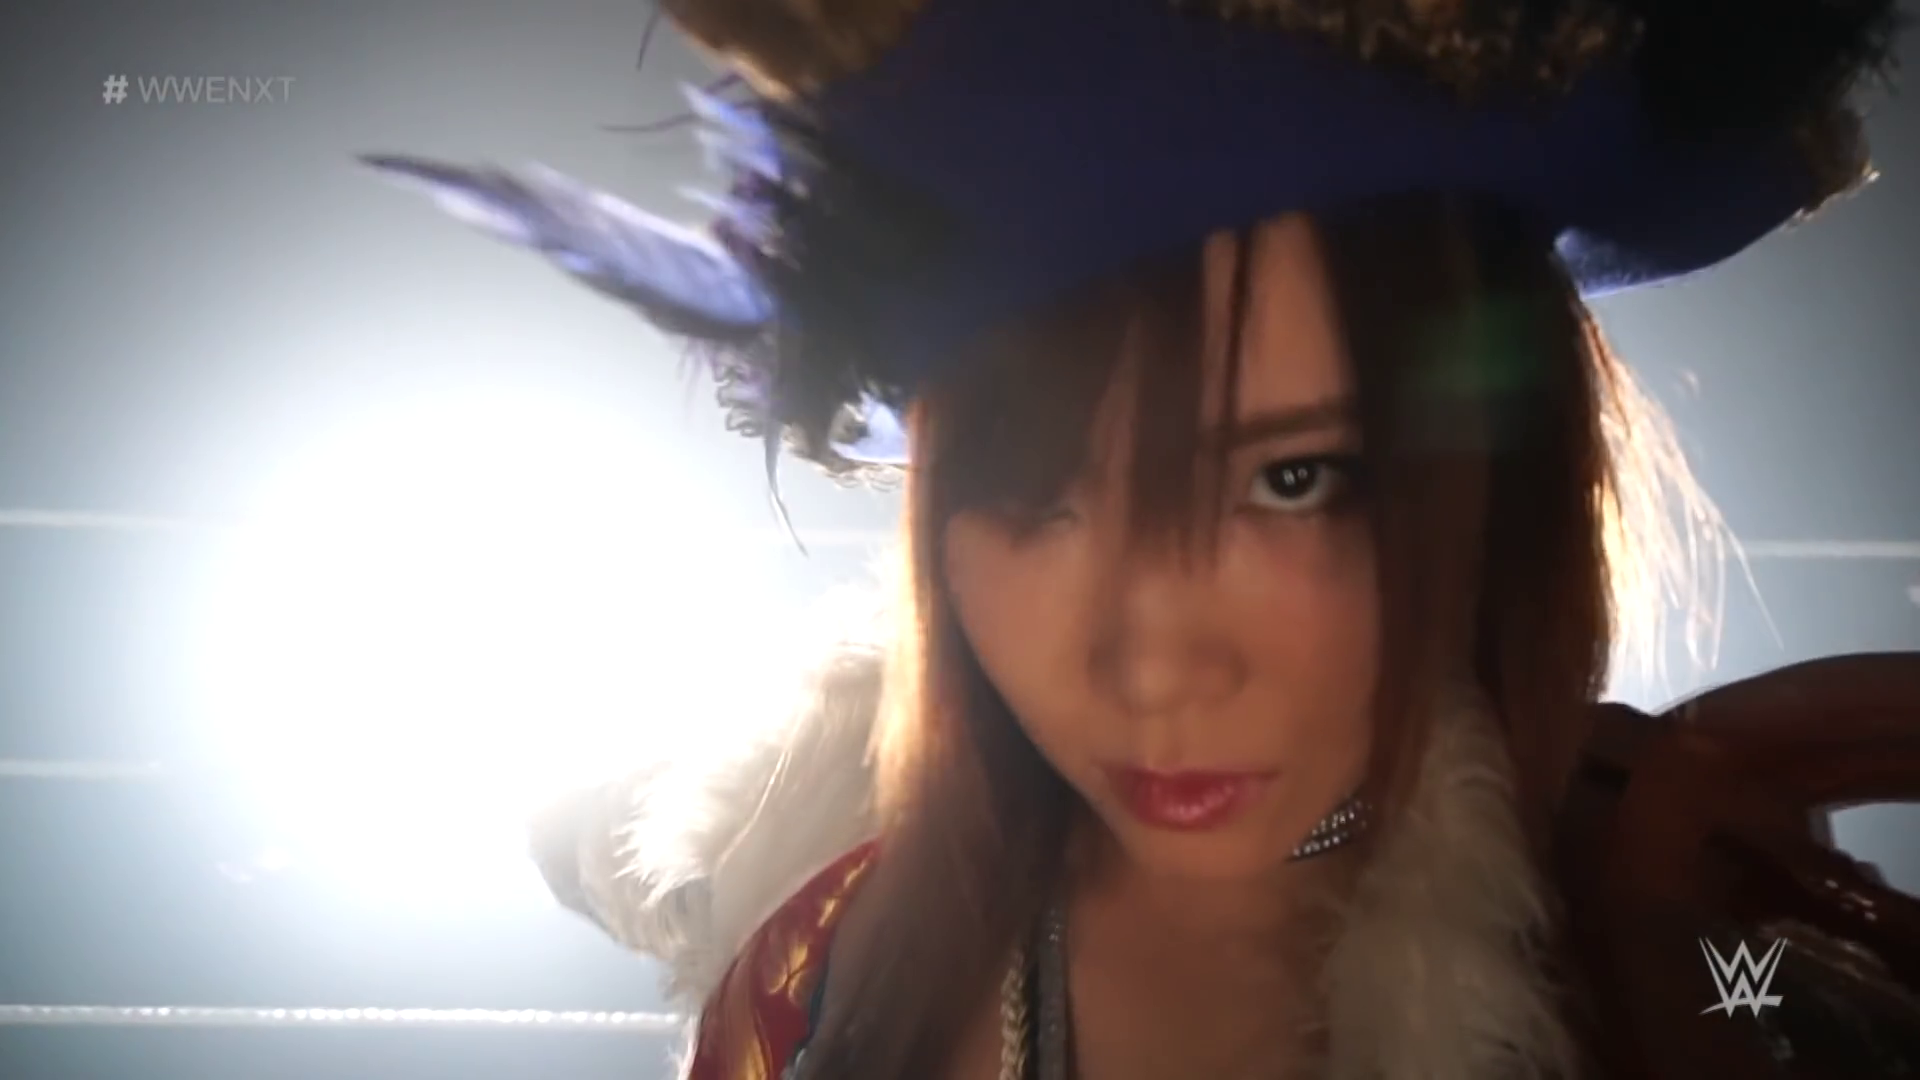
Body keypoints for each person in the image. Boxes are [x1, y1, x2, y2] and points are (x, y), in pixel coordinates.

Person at [367, 1, 1907, 1076]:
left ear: (1493, 475)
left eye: (1291, 481)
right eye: (1033, 495)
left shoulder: (1690, 938)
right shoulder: (818, 985)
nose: (1150, 662)